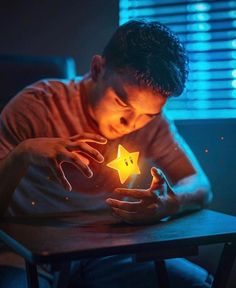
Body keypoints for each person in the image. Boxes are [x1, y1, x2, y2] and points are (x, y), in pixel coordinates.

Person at [0, 20, 213, 287]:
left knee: (197, 283)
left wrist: (170, 203)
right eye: (122, 103)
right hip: (29, 254)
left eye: (148, 114)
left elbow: (201, 185)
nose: (131, 124)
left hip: (108, 251)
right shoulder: (35, 106)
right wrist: (22, 154)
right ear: (98, 69)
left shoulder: (155, 123)